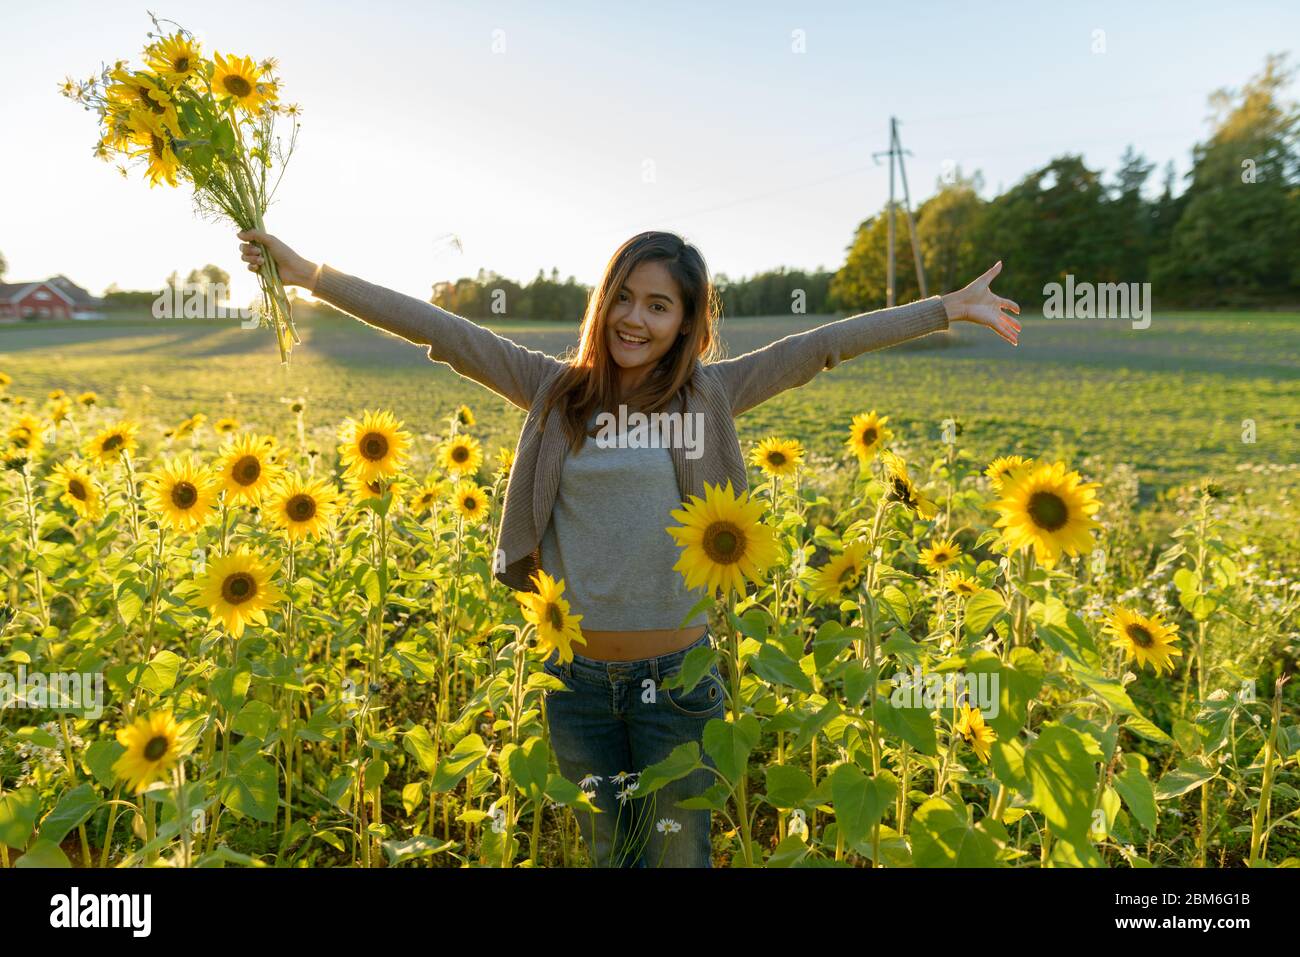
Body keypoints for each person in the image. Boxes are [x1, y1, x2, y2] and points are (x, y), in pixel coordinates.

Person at [237, 227, 1020, 867]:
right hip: (576, 684)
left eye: (659, 305)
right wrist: (310, 274)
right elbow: (439, 330)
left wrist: (944, 308)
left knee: (679, 860)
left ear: (687, 322)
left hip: (678, 688)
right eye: (624, 297)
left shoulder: (708, 396)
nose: (635, 319)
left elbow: (821, 347)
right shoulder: (553, 391)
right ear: (602, 302)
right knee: (615, 852)